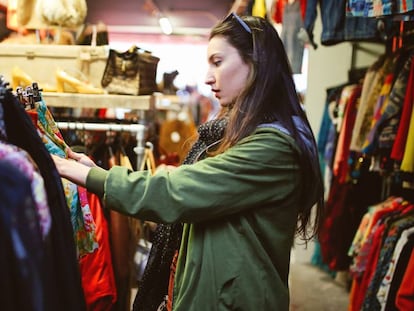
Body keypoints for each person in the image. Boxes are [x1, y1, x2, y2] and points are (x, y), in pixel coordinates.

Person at [52, 13, 324, 311]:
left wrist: (88, 175)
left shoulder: (272, 147)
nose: (208, 77)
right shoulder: (238, 134)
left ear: (255, 63)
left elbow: (176, 191)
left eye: (217, 62)